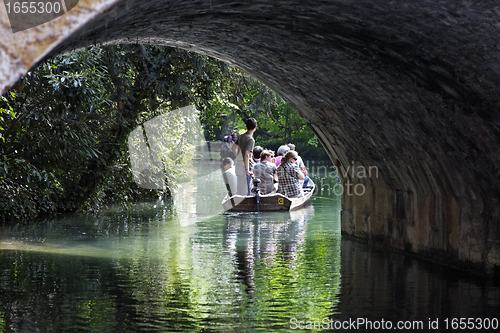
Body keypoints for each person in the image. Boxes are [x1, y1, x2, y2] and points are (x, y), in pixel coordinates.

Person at [232, 118, 257, 195]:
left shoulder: (241, 136)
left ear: (246, 126)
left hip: (238, 166)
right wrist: (247, 170)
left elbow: (233, 148)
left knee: (240, 189)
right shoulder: (250, 139)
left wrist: (239, 157)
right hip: (245, 167)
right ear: (255, 127)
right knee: (247, 191)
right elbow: (246, 154)